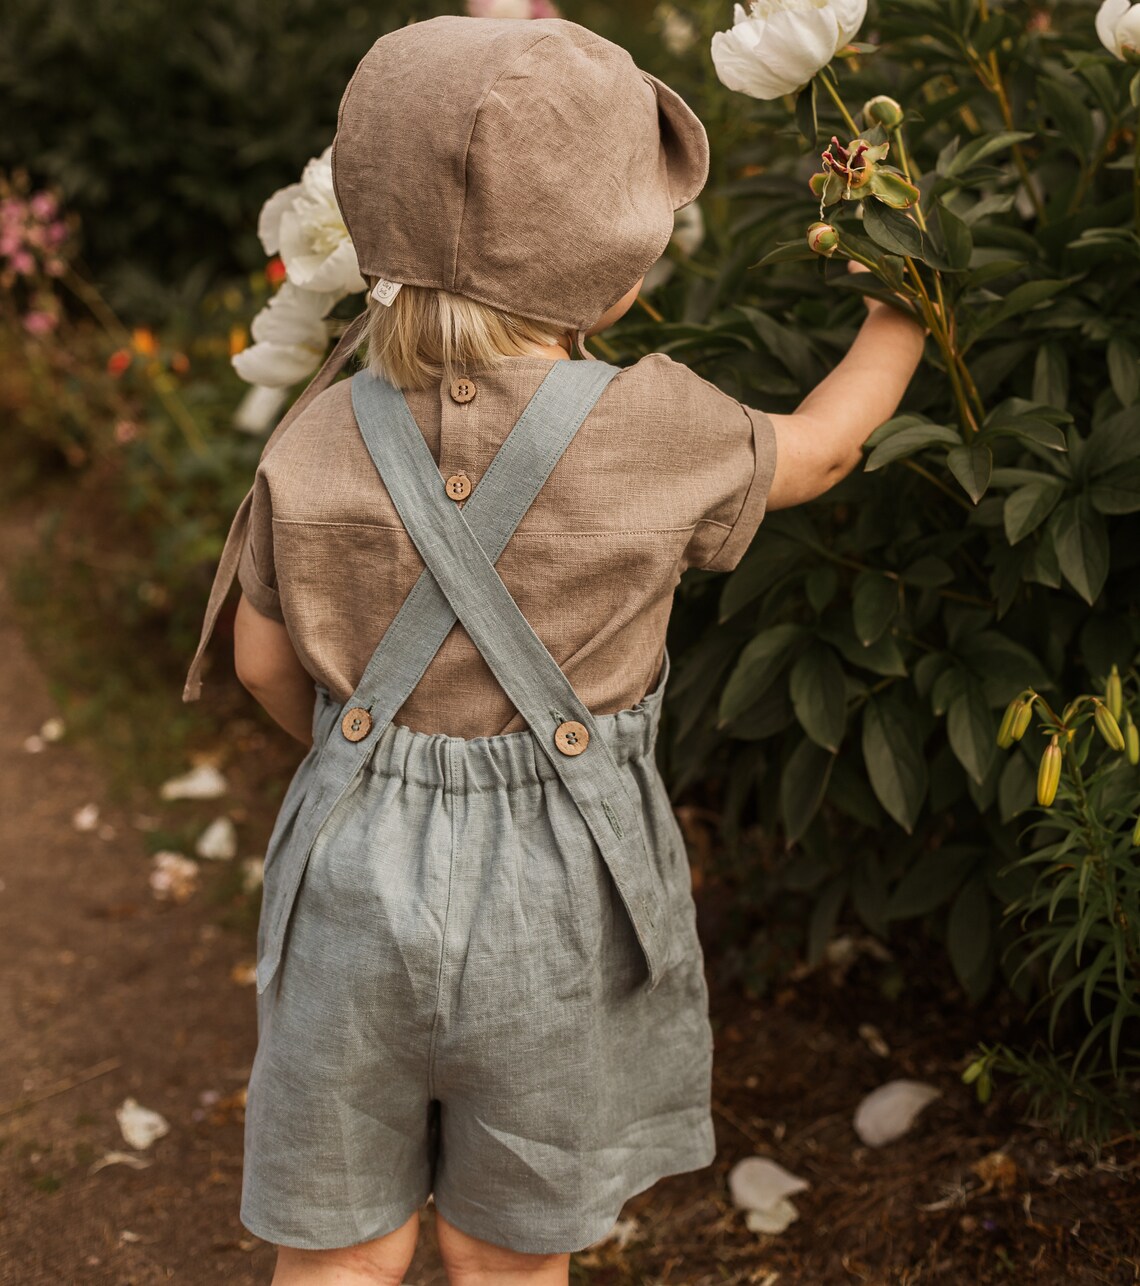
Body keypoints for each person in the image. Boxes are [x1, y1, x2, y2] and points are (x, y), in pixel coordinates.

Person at [183, 15, 926, 1286]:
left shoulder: (310, 436)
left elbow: (261, 664)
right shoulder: (656, 424)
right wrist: (905, 302)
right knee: (507, 1251)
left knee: (340, 1247)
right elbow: (823, 449)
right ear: (619, 269)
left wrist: (376, 764)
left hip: (355, 874)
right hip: (556, 894)